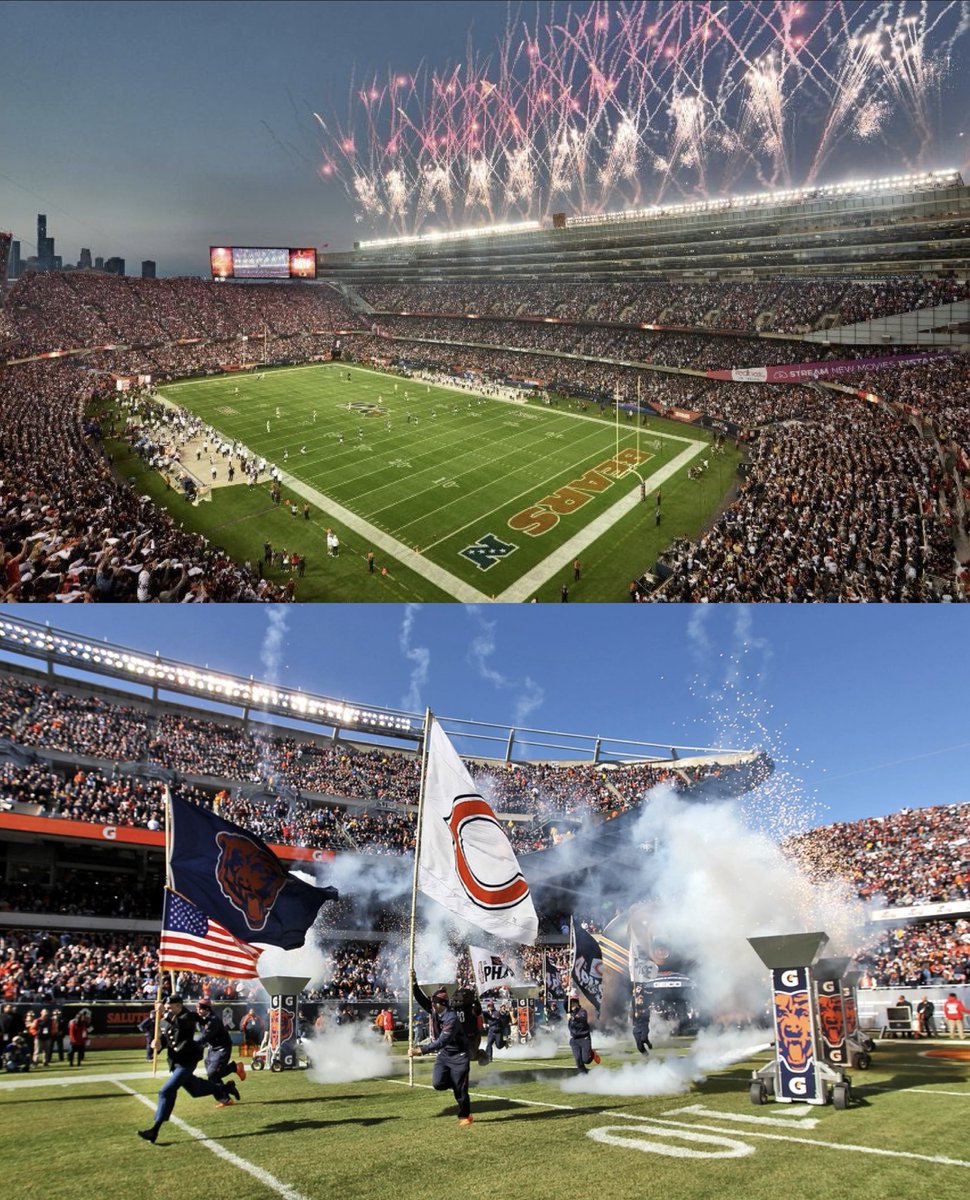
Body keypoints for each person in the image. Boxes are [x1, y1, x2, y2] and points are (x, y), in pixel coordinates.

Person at [137, 995, 233, 1144]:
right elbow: (167, 1039)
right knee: (195, 1090)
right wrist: (158, 1044)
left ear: (179, 1006)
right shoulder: (166, 1020)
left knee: (166, 1091)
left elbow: (180, 1025)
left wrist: (164, 1013)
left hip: (187, 1061)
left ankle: (154, 1130)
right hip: (175, 1062)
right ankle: (224, 1088)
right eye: (166, 1008)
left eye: (170, 1008)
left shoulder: (187, 1017)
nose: (167, 1010)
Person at [409, 978, 473, 1127]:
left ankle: (465, 1116)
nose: (431, 1004)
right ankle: (454, 1081)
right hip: (444, 1054)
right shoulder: (435, 1010)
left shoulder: (452, 1018)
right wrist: (414, 984)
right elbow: (421, 1000)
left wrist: (420, 1050)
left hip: (459, 1056)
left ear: (441, 1004)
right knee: (438, 1084)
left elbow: (441, 1042)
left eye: (433, 1002)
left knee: (461, 1091)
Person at [196, 999, 245, 1101]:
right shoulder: (202, 1019)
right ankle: (226, 1096)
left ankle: (233, 1068)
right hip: (212, 1048)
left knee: (212, 1074)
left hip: (222, 1048)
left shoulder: (213, 1021)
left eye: (199, 1009)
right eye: (197, 1009)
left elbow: (205, 1037)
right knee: (213, 1076)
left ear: (206, 1009)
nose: (198, 1011)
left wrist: (193, 1045)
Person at [567, 999, 600, 1074]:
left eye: (573, 1004)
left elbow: (582, 1018)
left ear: (576, 1004)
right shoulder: (569, 1013)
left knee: (586, 1060)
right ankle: (584, 1076)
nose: (571, 1006)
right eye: (570, 1004)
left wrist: (573, 1018)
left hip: (584, 1038)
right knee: (578, 1060)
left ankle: (592, 1053)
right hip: (574, 1040)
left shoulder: (582, 1011)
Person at [631, 984, 653, 1056]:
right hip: (636, 1027)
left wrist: (639, 1014)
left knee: (643, 1039)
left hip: (644, 1026)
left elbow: (646, 1015)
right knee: (639, 1047)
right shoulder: (635, 1007)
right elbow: (633, 1001)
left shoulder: (646, 1007)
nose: (640, 1000)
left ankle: (648, 1043)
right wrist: (634, 994)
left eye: (641, 999)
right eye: (639, 999)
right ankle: (647, 1056)